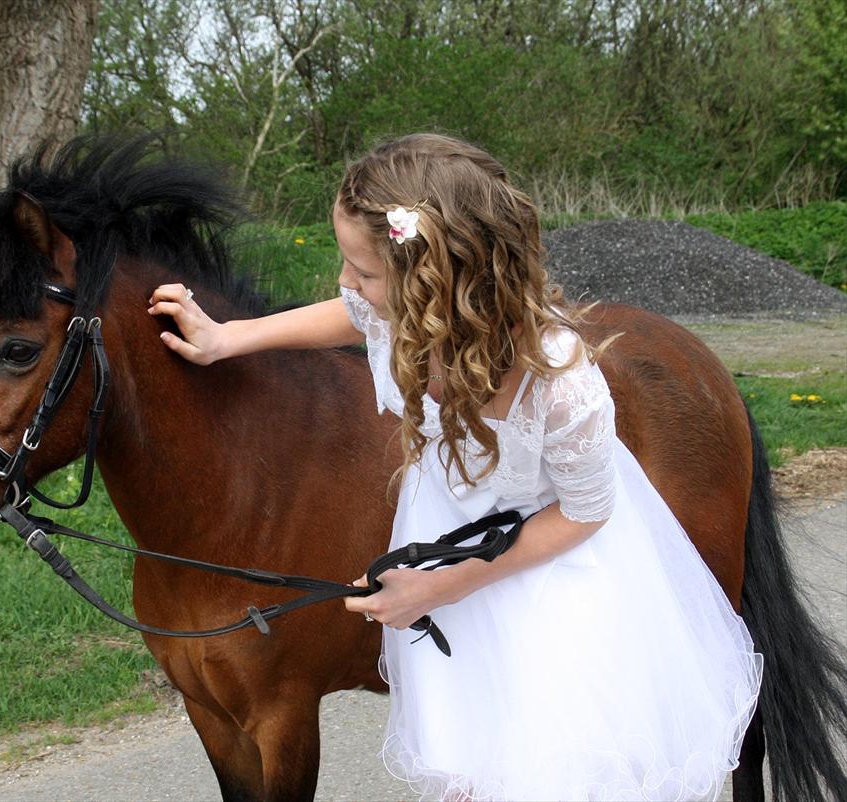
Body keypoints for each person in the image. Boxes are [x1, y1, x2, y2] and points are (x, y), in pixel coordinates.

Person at [146, 133, 762, 802]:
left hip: (550, 578)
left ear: (438, 277)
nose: (347, 284)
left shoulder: (559, 383)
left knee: (549, 769)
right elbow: (347, 318)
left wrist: (441, 589)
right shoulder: (401, 317)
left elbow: (587, 513)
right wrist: (229, 338)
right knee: (469, 764)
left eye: (365, 272)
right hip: (452, 540)